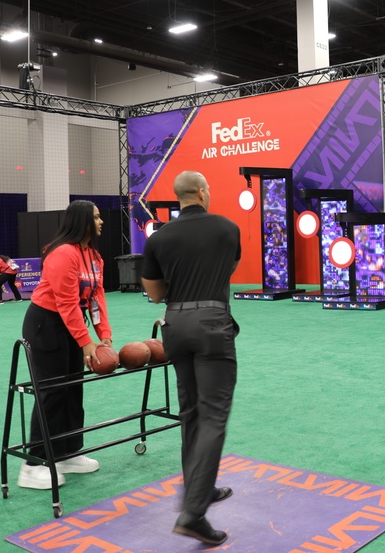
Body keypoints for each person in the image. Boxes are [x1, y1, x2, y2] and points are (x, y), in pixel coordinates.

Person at [141, 171, 241, 547]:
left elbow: (153, 294)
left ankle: (200, 487)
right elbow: (226, 270)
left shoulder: (159, 237)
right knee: (214, 413)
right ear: (202, 192)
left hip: (175, 324)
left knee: (191, 412)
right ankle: (193, 513)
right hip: (213, 321)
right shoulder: (227, 228)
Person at [17, 200, 111, 490]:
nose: (101, 222)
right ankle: (34, 464)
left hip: (71, 324)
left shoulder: (94, 256)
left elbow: (96, 297)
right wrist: (86, 343)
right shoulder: (63, 254)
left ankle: (67, 452)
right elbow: (66, 302)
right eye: (95, 217)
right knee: (52, 391)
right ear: (83, 221)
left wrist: (103, 336)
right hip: (45, 324)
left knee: (73, 389)